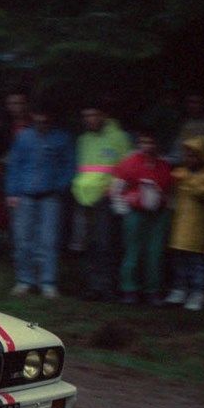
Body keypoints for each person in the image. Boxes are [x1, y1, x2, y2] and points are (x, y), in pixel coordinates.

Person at [5, 109, 75, 298]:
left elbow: (69, 165)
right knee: (22, 240)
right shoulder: (24, 137)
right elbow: (15, 165)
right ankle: (24, 280)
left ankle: (47, 282)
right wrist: (12, 191)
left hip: (50, 196)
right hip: (25, 195)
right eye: (38, 119)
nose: (41, 122)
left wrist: (60, 186)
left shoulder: (61, 138)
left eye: (44, 120)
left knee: (48, 240)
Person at [72, 103, 132, 300]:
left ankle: (107, 288)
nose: (90, 119)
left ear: (104, 115)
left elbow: (127, 168)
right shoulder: (83, 139)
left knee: (105, 244)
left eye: (93, 114)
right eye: (86, 115)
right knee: (88, 245)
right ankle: (92, 286)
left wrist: (114, 190)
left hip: (106, 197)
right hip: (83, 197)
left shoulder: (119, 137)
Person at [110, 130, 174, 305]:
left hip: (158, 216)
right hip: (135, 214)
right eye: (144, 142)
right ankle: (129, 289)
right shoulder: (129, 163)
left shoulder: (164, 165)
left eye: (151, 143)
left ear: (157, 145)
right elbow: (116, 189)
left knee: (155, 253)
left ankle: (152, 291)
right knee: (133, 252)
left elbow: (169, 192)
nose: (147, 146)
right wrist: (123, 210)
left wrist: (167, 211)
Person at [164, 136, 204, 311]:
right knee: (179, 261)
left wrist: (187, 183)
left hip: (198, 229)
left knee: (197, 263)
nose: (189, 160)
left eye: (193, 156)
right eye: (187, 156)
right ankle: (180, 289)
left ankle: (198, 292)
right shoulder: (181, 173)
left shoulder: (200, 176)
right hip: (180, 227)